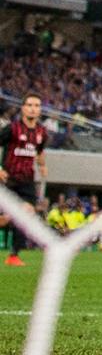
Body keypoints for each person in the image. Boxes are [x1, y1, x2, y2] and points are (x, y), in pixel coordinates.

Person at [3, 96, 48, 267]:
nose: (33, 108)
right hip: (7, 179)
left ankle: (14, 255)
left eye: (37, 105)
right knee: (5, 219)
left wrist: (42, 165)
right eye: (29, 105)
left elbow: (40, 151)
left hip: (27, 181)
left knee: (26, 214)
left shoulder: (42, 132)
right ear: (23, 108)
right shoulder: (12, 129)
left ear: (40, 110)